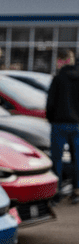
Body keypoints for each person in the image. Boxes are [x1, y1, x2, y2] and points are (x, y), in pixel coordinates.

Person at [46, 50, 79, 203]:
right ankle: (77, 191)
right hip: (76, 125)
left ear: (62, 61)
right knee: (77, 159)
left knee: (57, 159)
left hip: (59, 124)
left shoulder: (57, 79)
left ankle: (57, 192)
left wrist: (51, 119)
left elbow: (50, 104)